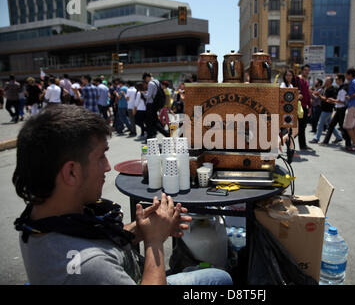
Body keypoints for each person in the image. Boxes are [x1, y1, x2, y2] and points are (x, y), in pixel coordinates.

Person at [13, 105, 232, 285]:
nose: (108, 167)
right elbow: (97, 259)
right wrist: (154, 242)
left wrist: (140, 229)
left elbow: (97, 241)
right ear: (71, 172)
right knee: (219, 278)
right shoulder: (92, 266)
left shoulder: (39, 216)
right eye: (101, 157)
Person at [310, 76, 342, 144]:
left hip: (327, 109)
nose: (325, 82)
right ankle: (339, 137)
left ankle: (316, 138)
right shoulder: (326, 88)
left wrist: (319, 95)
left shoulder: (331, 89)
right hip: (325, 109)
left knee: (320, 124)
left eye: (326, 81)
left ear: (330, 82)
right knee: (330, 125)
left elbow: (326, 99)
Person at [322, 74, 351, 147]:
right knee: (332, 125)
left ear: (340, 80)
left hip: (342, 110)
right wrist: (333, 101)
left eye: (336, 79)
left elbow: (342, 101)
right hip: (338, 109)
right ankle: (325, 141)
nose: (335, 81)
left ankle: (348, 143)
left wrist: (333, 100)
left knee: (342, 127)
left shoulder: (343, 88)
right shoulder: (340, 88)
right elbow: (339, 101)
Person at [143, 73, 170, 141]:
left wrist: (143, 93)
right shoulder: (157, 81)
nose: (146, 81)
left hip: (150, 104)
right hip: (156, 104)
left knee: (151, 122)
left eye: (145, 79)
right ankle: (153, 135)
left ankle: (151, 137)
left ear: (147, 77)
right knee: (153, 121)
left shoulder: (151, 83)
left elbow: (149, 96)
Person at [296, 65, 313, 151]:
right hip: (298, 106)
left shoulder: (306, 81)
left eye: (308, 70)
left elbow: (307, 95)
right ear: (302, 71)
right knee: (296, 127)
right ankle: (286, 141)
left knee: (302, 126)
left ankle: (303, 145)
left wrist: (310, 106)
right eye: (305, 70)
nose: (307, 72)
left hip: (304, 107)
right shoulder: (298, 79)